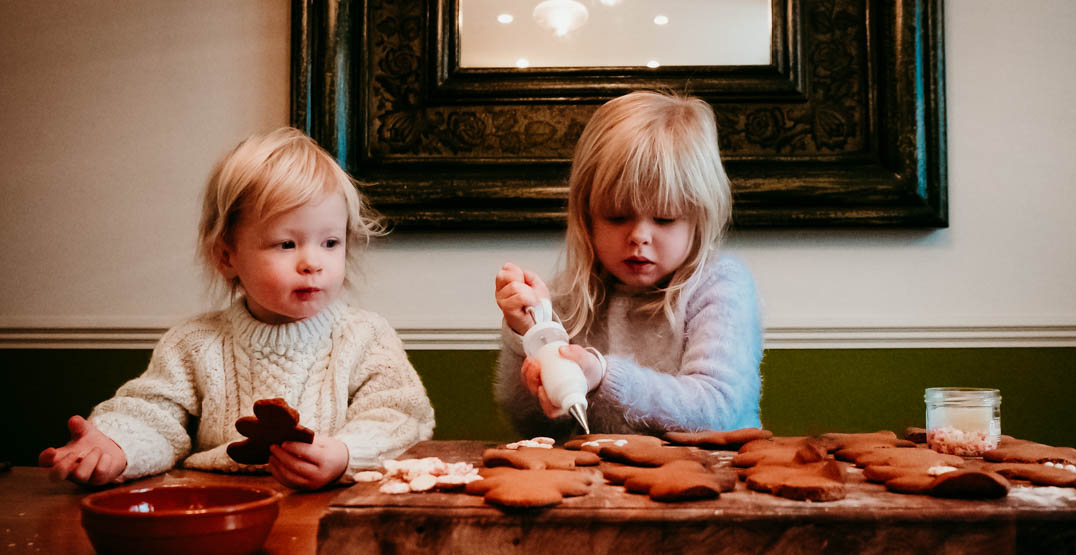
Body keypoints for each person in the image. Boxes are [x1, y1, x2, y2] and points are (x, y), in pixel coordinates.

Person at [39, 128, 434, 489]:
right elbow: (152, 414)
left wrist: (346, 454)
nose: (313, 262)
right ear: (227, 256)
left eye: (330, 243)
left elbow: (402, 418)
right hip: (214, 508)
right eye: (286, 244)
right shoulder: (195, 344)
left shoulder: (365, 337)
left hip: (328, 515)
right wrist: (115, 445)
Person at [494, 91, 763, 440]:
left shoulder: (720, 285)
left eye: (664, 219)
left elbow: (717, 410)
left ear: (699, 218)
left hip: (714, 480)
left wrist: (603, 375)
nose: (639, 236)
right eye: (617, 217)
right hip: (605, 486)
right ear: (587, 218)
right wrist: (529, 336)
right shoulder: (572, 296)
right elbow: (530, 426)